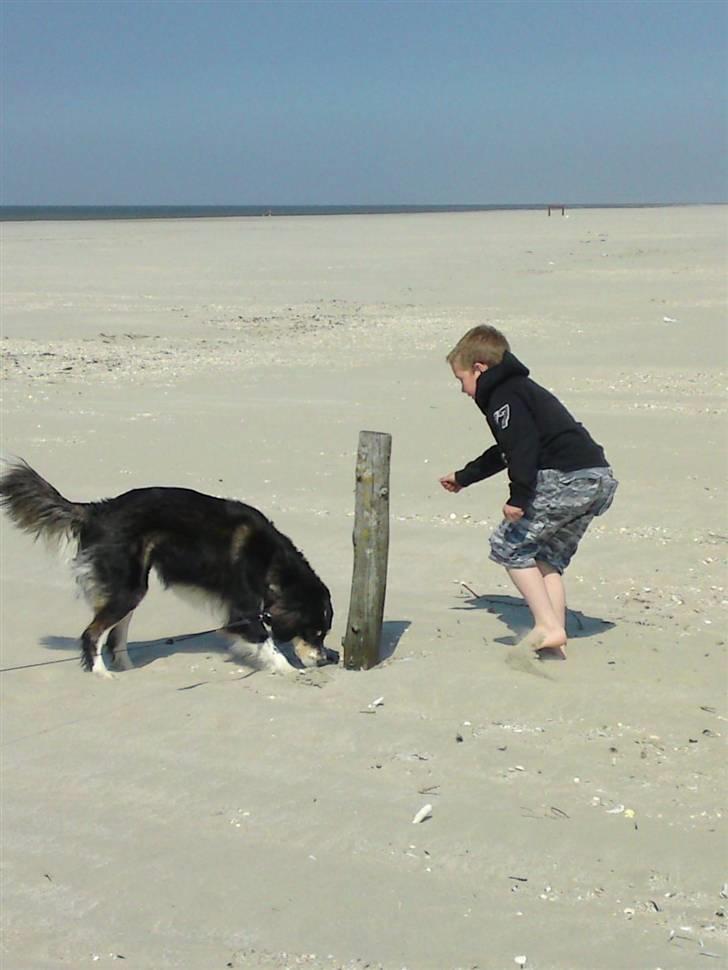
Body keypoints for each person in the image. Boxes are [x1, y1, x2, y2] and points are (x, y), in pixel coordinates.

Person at [439, 324, 617, 659]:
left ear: (480, 368)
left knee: (508, 546)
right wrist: (465, 476)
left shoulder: (504, 396)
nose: (463, 390)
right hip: (596, 479)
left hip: (567, 478)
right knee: (545, 558)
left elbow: (522, 448)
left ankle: (548, 627)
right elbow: (507, 448)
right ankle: (554, 643)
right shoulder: (519, 390)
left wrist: (518, 498)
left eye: (461, 379)